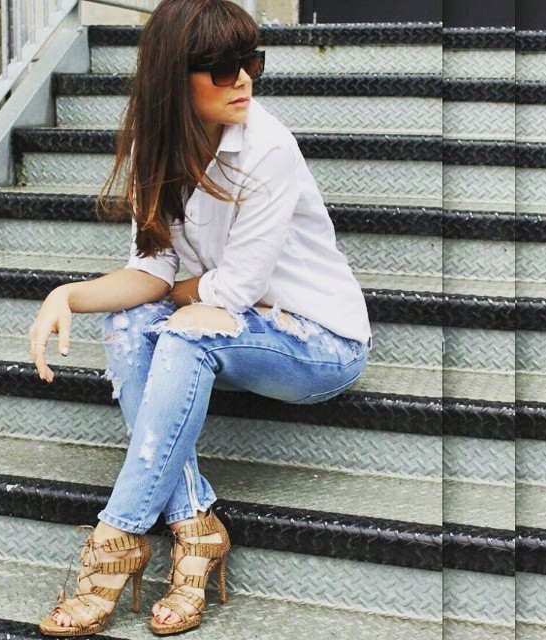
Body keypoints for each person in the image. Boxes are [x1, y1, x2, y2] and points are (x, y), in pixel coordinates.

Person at [33, 0, 372, 635]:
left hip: (318, 343)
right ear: (173, 77)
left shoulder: (267, 149)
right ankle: (195, 525)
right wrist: (69, 294)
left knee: (185, 333)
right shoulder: (158, 148)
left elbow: (234, 289)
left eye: (250, 62)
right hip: (236, 322)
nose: (243, 79)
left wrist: (176, 295)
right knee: (130, 322)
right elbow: (151, 271)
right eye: (221, 68)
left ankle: (117, 537)